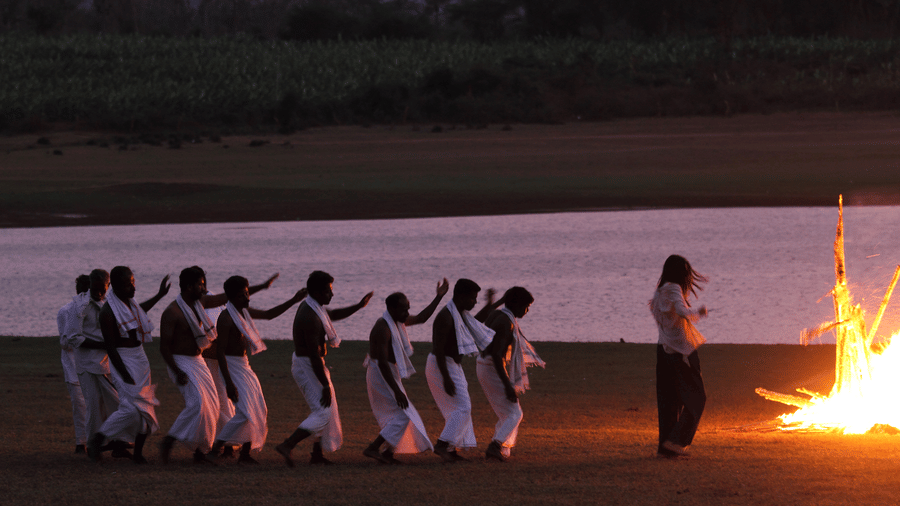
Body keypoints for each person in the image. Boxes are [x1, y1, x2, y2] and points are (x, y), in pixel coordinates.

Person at [158, 266, 277, 464]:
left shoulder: (201, 303)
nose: (204, 289)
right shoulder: (172, 313)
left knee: (212, 407)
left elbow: (228, 296)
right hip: (180, 362)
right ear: (189, 287)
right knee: (198, 404)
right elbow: (164, 347)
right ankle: (169, 441)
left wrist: (262, 286)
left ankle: (200, 451)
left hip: (198, 361)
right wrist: (177, 371)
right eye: (200, 285)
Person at [275, 270, 373, 467]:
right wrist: (325, 385)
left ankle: (316, 454)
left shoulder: (315, 307)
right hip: (308, 365)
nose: (332, 294)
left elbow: (333, 315)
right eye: (328, 291)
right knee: (323, 412)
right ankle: (287, 445)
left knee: (324, 410)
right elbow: (313, 355)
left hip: (312, 364)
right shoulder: (310, 316)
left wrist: (358, 306)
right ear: (317, 292)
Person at [207, 276, 307, 464]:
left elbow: (269, 314)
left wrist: (294, 300)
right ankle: (216, 449)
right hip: (232, 367)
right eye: (242, 295)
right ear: (231, 297)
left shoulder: (243, 312)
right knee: (244, 412)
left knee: (259, 408)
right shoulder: (226, 318)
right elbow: (220, 352)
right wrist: (228, 383)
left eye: (247, 293)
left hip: (244, 366)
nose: (247, 298)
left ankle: (245, 454)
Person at [362, 279, 449, 465]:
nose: (407, 313)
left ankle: (387, 453)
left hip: (389, 372)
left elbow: (422, 318)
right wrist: (396, 391)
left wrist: (439, 297)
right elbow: (382, 364)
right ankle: (374, 448)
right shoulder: (382, 328)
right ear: (392, 309)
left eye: (408, 309)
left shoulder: (396, 321)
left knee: (401, 414)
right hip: (380, 374)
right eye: (404, 310)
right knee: (403, 414)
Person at [89, 266, 170, 464]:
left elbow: (141, 310)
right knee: (131, 408)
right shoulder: (107, 312)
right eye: (127, 285)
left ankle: (138, 454)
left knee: (145, 407)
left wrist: (160, 295)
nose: (133, 288)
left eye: (133, 282)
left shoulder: (130, 305)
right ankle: (98, 439)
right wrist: (124, 374)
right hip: (122, 361)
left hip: (140, 358)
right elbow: (110, 348)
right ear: (115, 286)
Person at [426, 279, 500, 462]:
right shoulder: (445, 317)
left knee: (457, 409)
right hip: (441, 365)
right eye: (473, 298)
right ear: (461, 296)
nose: (475, 302)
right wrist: (446, 378)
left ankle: (451, 450)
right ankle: (443, 444)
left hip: (452, 365)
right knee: (463, 407)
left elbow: (476, 321)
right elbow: (439, 349)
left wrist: (490, 303)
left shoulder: (459, 314)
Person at [650, 254, 709, 458]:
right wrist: (699, 312)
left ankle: (665, 448)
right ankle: (677, 442)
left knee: (669, 400)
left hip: (663, 349)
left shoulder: (659, 291)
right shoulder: (674, 288)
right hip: (682, 351)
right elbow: (683, 311)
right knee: (697, 398)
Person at [477, 286, 545, 462]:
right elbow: (497, 355)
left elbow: (486, 315)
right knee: (515, 413)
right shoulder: (506, 323)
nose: (527, 310)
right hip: (491, 366)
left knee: (507, 412)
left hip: (483, 365)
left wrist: (496, 301)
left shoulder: (497, 314)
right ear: (516, 304)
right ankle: (495, 446)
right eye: (526, 306)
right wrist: (508, 385)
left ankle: (502, 448)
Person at [66, 269, 128, 458]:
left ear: (109, 286)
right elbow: (73, 337)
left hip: (108, 362)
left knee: (117, 402)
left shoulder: (110, 303)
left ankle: (119, 443)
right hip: (87, 364)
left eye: (103, 289)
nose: (99, 293)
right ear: (89, 286)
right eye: (95, 289)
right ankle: (95, 446)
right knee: (94, 407)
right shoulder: (79, 306)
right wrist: (104, 345)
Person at [57, 274, 91, 454]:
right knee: (80, 405)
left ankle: (94, 441)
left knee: (94, 405)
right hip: (74, 367)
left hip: (94, 365)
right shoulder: (66, 311)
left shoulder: (98, 310)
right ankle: (81, 442)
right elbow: (65, 343)